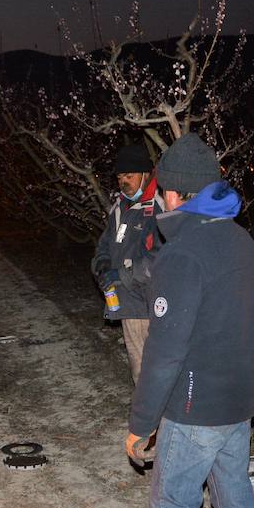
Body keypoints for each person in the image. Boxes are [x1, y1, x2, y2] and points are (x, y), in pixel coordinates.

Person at [125, 133, 254, 508]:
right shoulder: (239, 241)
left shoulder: (182, 255)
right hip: (238, 402)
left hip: (196, 408)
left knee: (171, 506)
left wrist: (141, 424)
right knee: (234, 500)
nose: (157, 199)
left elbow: (163, 352)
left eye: (161, 190)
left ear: (176, 195)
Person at [91, 141, 164, 382]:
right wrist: (101, 266)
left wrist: (122, 274)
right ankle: (148, 418)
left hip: (154, 303)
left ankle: (160, 418)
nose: (124, 181)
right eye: (120, 176)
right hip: (129, 303)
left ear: (145, 174)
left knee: (157, 368)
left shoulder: (159, 207)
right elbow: (104, 246)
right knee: (139, 367)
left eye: (130, 175)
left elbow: (163, 258)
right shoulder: (120, 207)